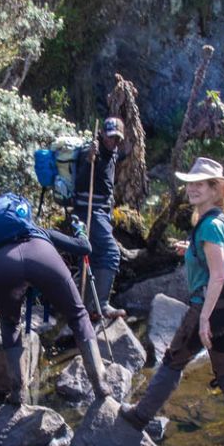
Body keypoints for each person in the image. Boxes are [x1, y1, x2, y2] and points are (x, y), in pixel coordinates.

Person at [122, 157, 224, 446]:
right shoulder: (220, 222)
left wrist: (203, 319)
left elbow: (219, 275)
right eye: (191, 183)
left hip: (213, 306)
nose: (192, 189)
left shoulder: (210, 226)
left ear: (215, 190)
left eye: (200, 184)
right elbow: (216, 260)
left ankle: (139, 416)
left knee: (173, 360)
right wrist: (191, 250)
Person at [0, 222, 111, 407]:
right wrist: (81, 230)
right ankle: (100, 383)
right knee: (78, 316)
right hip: (43, 257)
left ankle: (17, 392)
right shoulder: (39, 230)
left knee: (9, 324)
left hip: (4, 266)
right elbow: (84, 248)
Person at [71, 117, 128, 319]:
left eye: (116, 138)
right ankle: (100, 305)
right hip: (88, 211)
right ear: (102, 133)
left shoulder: (112, 152)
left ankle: (86, 307)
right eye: (110, 136)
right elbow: (79, 184)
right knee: (111, 252)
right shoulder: (91, 153)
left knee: (90, 254)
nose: (112, 141)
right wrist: (89, 161)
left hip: (101, 211)